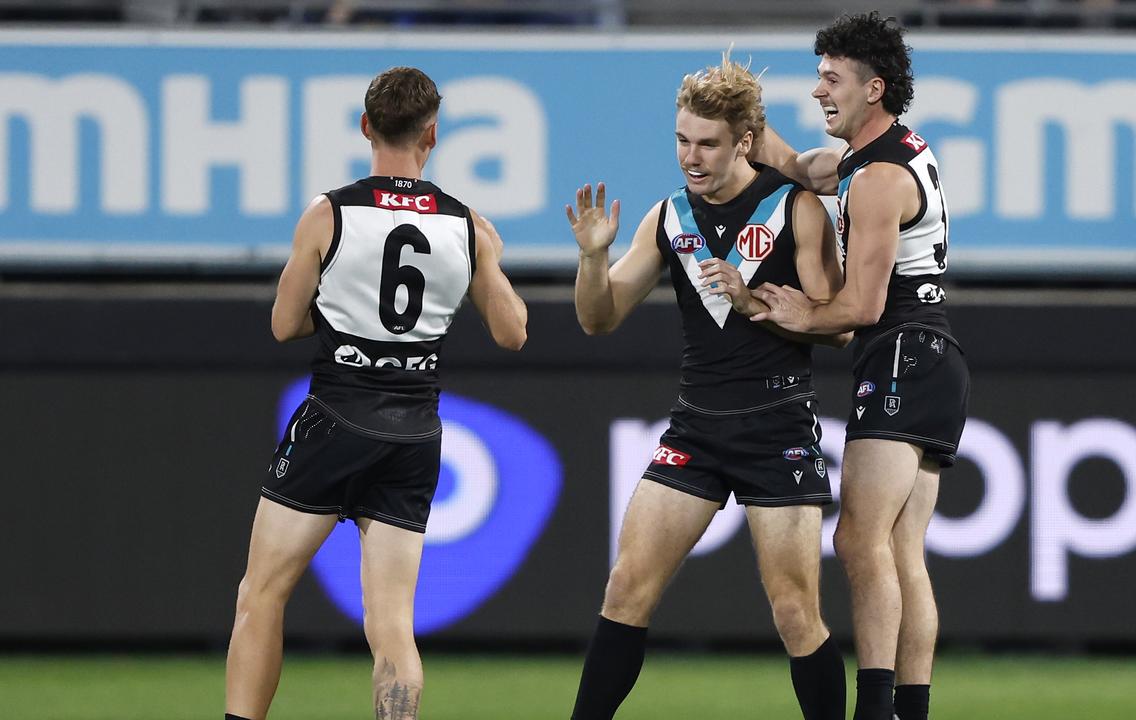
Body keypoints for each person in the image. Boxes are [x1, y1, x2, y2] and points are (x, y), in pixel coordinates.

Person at [224, 66, 527, 720]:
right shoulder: (467, 225)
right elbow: (512, 332)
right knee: (392, 627)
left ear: (366, 126)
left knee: (262, 595)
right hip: (415, 431)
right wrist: (478, 268)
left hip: (335, 418)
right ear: (433, 134)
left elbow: (282, 324)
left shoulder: (329, 213)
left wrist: (340, 310)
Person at [565, 54, 850, 720]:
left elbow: (837, 327)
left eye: (708, 144)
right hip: (697, 427)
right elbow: (597, 319)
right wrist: (592, 257)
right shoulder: (668, 218)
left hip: (777, 424)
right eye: (683, 140)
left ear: (743, 142)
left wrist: (757, 305)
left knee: (795, 613)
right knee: (626, 590)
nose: (692, 157)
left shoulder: (796, 208)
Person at [749, 12, 970, 720]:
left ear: (874, 88)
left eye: (831, 77)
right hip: (933, 355)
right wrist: (743, 114)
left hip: (902, 352)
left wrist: (795, 315)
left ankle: (874, 709)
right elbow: (793, 166)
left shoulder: (876, 180)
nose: (818, 90)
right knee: (903, 550)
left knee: (857, 538)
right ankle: (909, 709)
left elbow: (863, 306)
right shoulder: (878, 158)